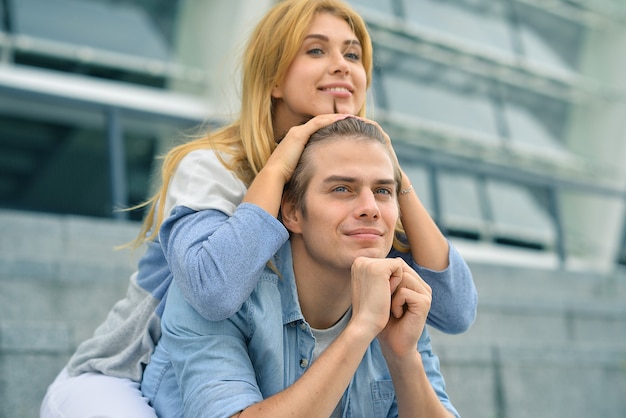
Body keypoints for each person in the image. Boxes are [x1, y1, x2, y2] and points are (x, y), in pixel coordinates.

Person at [41, 1, 476, 417]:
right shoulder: (214, 167)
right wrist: (285, 158)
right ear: (273, 79)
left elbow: (454, 312)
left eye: (353, 54)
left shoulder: (355, 198)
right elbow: (214, 290)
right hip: (134, 375)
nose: (342, 64)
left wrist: (393, 175)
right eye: (316, 50)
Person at [142, 117, 459, 417]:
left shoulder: (396, 300)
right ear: (292, 211)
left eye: (383, 191)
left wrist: (404, 358)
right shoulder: (217, 296)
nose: (370, 209)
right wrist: (360, 330)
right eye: (341, 189)